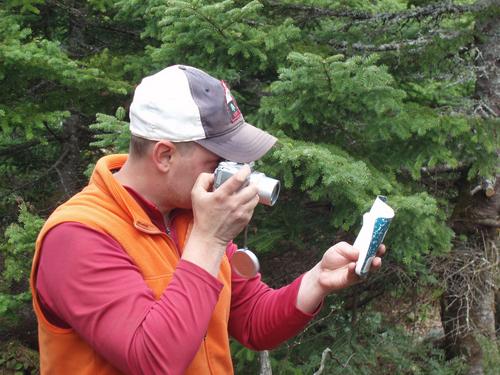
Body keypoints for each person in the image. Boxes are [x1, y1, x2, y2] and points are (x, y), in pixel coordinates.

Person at [30, 65, 385, 375]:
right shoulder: (77, 236)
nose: (238, 173)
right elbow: (152, 360)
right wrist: (210, 239)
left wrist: (317, 281)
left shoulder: (189, 216)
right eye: (221, 160)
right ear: (165, 155)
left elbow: (252, 320)